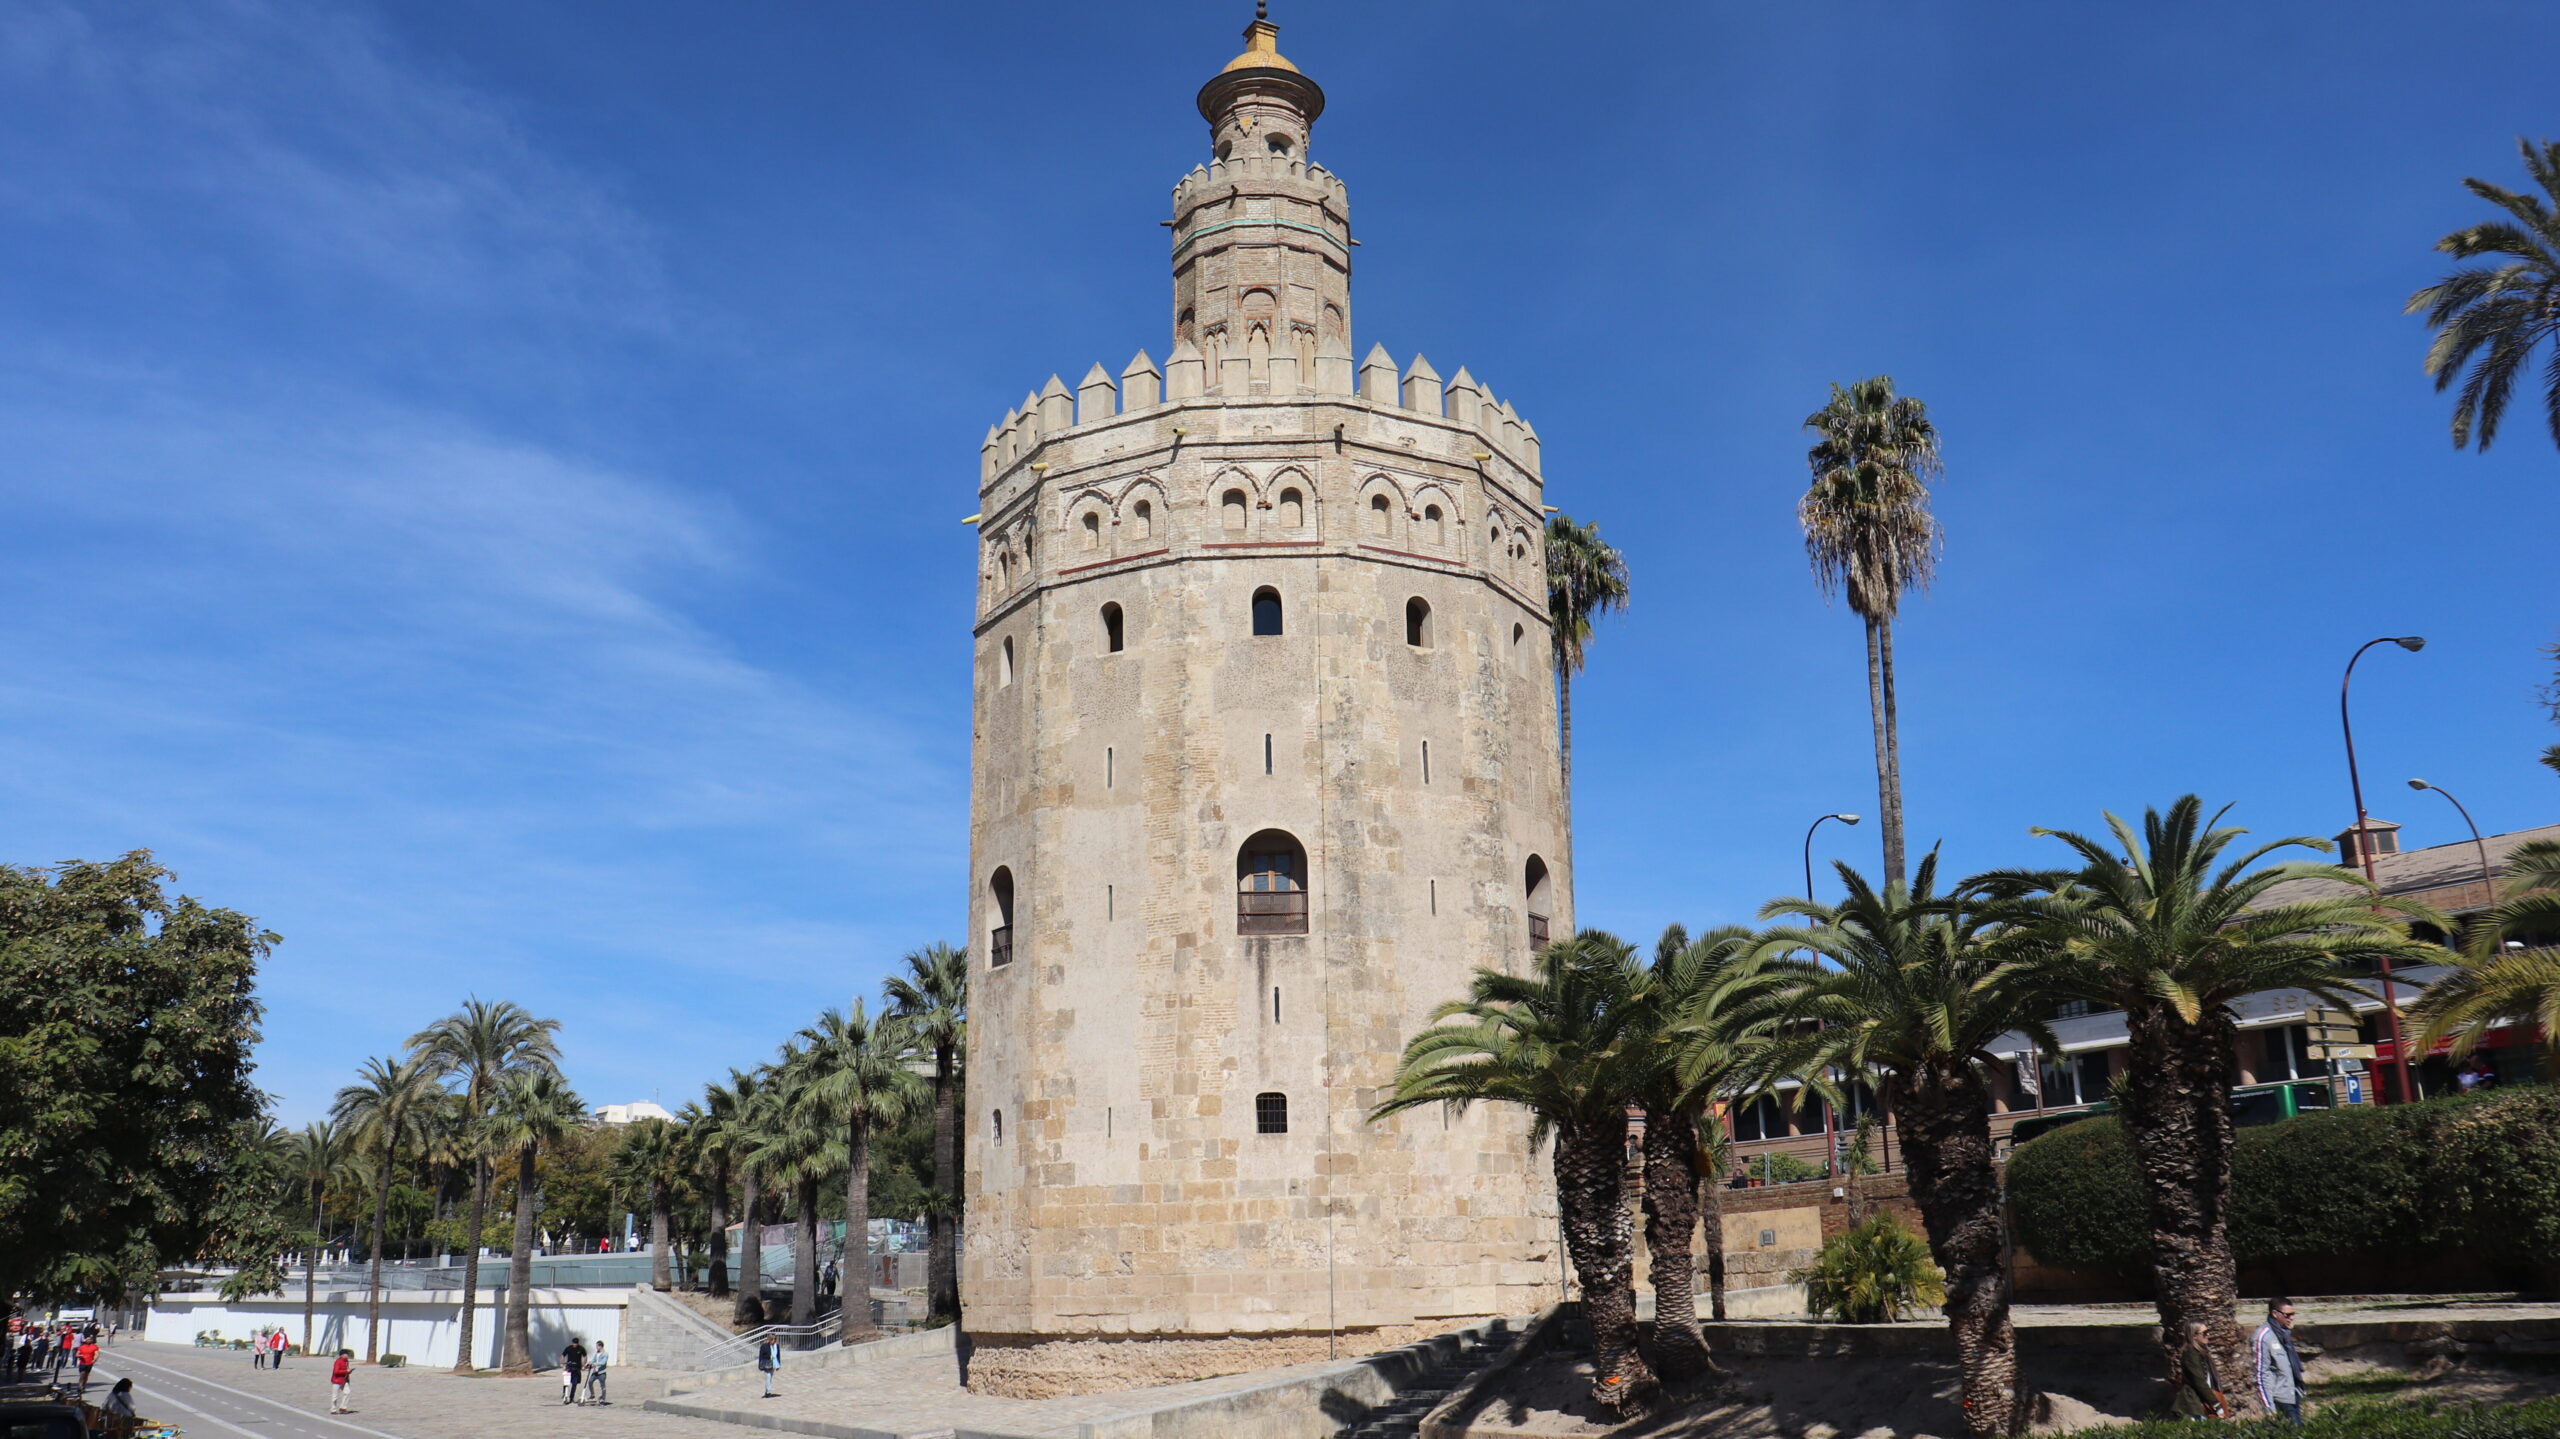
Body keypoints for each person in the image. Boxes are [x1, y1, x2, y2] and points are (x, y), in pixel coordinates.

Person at [2254, 1297, 2305, 1424]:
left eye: (2293, 1314)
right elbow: (2260, 1374)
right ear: (2275, 1314)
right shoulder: (2263, 1337)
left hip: (2293, 1394)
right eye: (2288, 1315)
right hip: (2279, 1399)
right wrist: (2268, 1407)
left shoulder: (2284, 1334)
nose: (2292, 1318)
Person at [2173, 1320, 2228, 1420]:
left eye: (2208, 1332)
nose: (2208, 1335)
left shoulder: (2201, 1352)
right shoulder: (2191, 1354)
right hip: (2194, 1404)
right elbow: (2199, 1382)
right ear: (2194, 1336)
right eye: (2205, 1333)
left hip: (2204, 1402)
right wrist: (2215, 1404)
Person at [560, 1337, 587, 1405]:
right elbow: (562, 1356)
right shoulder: (568, 1348)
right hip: (569, 1367)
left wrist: (584, 1365)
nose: (575, 1344)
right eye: (574, 1343)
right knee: (566, 1382)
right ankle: (565, 1394)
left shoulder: (581, 1348)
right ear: (572, 1343)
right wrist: (563, 1364)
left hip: (577, 1368)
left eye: (576, 1343)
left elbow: (585, 1356)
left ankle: (571, 1397)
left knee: (574, 1384)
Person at [329, 1349, 354, 1414]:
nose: (348, 1355)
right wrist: (346, 1371)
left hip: (344, 1380)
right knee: (335, 1396)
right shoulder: (338, 1361)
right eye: (347, 1354)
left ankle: (343, 1407)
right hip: (337, 1380)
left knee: (347, 1392)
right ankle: (333, 1410)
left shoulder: (346, 1361)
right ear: (343, 1355)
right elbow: (336, 1372)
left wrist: (348, 1372)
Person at [587, 1340, 609, 1405]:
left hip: (601, 1372)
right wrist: (589, 1363)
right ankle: (592, 1395)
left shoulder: (605, 1354)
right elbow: (593, 1360)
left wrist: (595, 1364)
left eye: (597, 1346)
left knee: (602, 1385)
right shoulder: (596, 1353)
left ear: (600, 1346)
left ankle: (603, 1398)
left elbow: (603, 1362)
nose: (596, 1347)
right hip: (595, 1372)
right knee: (590, 1381)